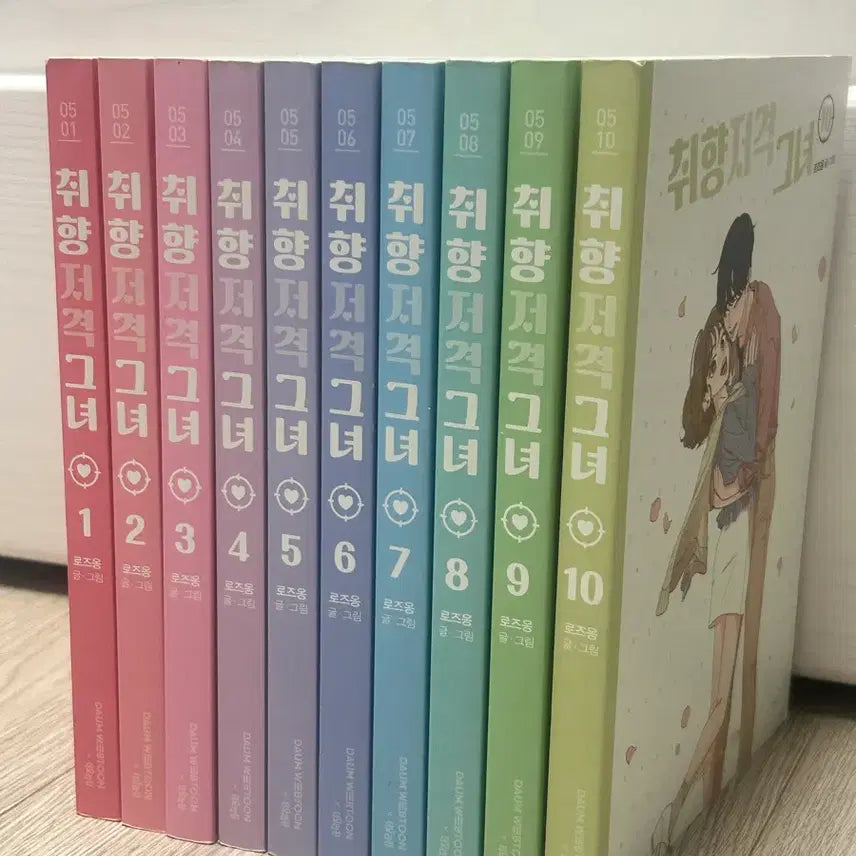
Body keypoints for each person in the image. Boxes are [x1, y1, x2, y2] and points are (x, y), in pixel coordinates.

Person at [652, 309, 757, 855]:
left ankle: (677, 807)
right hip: (729, 557)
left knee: (721, 696)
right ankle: (676, 807)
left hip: (731, 552)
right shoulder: (726, 416)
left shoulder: (736, 403)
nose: (723, 367)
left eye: (724, 356)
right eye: (713, 366)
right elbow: (717, 493)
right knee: (719, 697)